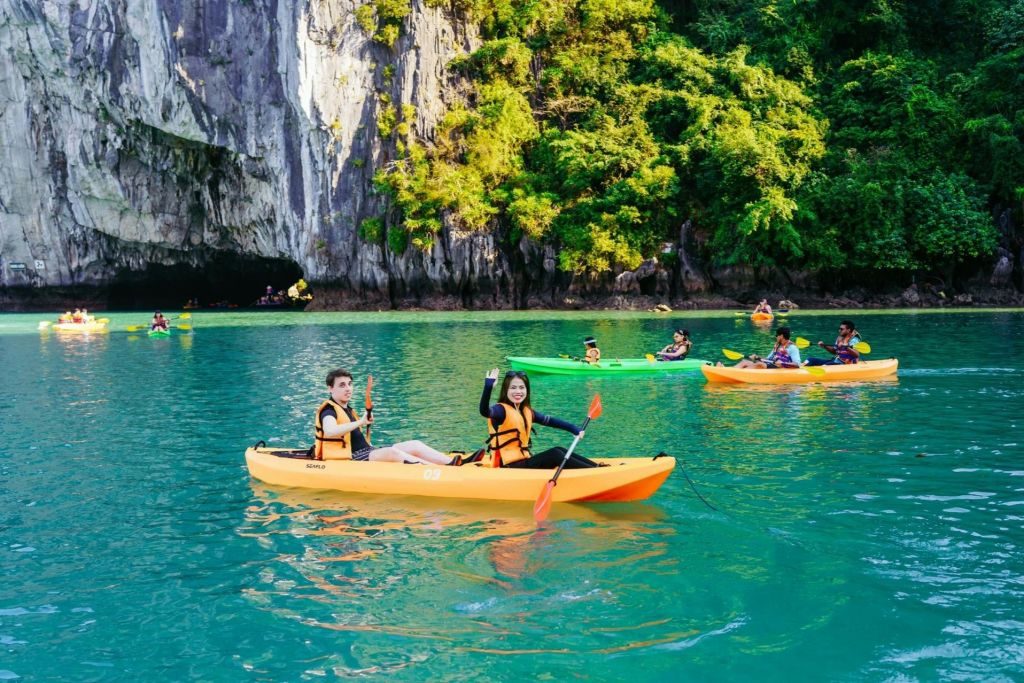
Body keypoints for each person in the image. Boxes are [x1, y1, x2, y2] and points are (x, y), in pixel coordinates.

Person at [314, 368, 461, 465]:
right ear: (330, 388)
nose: (348, 389)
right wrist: (361, 421)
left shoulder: (347, 410)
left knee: (414, 444)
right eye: (342, 385)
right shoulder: (329, 410)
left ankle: (451, 462)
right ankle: (439, 471)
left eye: (349, 384)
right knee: (391, 452)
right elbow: (330, 431)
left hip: (366, 452)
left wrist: (362, 423)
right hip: (351, 458)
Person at [479, 368, 601, 469]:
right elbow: (484, 411)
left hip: (523, 461)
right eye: (513, 388)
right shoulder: (500, 410)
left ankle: (597, 468)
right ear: (506, 390)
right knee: (554, 454)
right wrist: (488, 388)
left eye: (522, 388)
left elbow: (550, 421)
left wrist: (574, 429)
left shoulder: (525, 411)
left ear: (527, 390)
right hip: (508, 466)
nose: (518, 391)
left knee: (559, 449)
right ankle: (596, 472)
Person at [718, 326, 801, 369]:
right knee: (745, 361)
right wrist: (757, 357)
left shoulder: (792, 348)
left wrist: (783, 363)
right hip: (771, 365)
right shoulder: (777, 346)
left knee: (760, 364)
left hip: (780, 368)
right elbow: (768, 359)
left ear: (781, 336)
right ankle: (730, 370)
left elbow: (797, 365)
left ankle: (735, 373)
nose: (776, 337)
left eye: (777, 335)